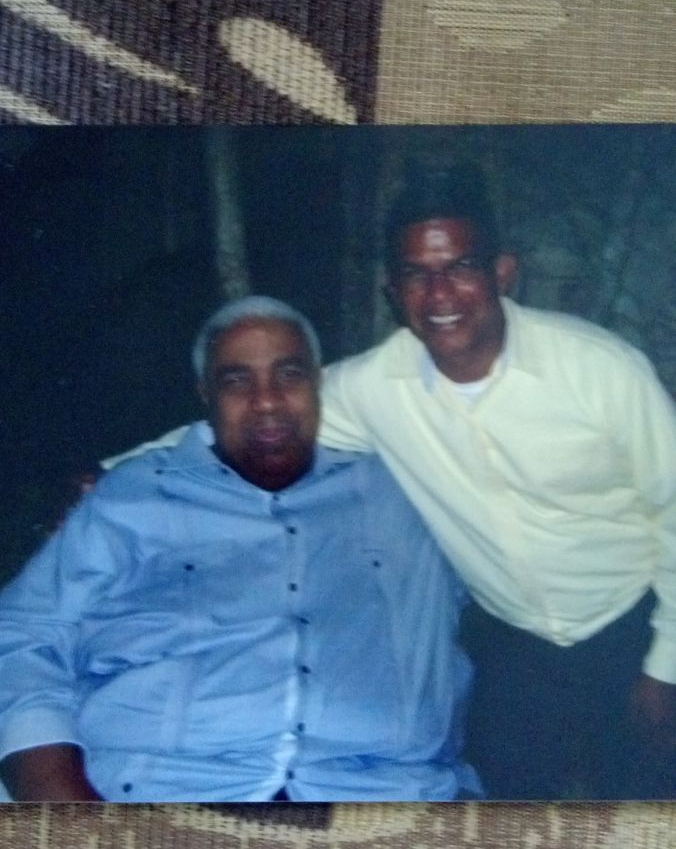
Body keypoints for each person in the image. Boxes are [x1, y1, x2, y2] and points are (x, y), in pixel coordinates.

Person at [0, 296, 480, 803]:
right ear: (205, 394)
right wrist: (63, 803)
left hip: (385, 800)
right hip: (157, 797)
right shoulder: (133, 495)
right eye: (236, 380)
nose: (267, 401)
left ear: (319, 383)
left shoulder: (405, 491)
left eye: (289, 374)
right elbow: (23, 634)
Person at [319, 163, 676, 799]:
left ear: (502, 273)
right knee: (504, 817)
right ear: (393, 291)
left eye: (460, 266)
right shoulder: (371, 389)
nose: (440, 294)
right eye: (416, 274)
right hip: (512, 643)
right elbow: (260, 418)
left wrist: (664, 667)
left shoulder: (601, 370)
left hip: (635, 620)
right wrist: (133, 466)